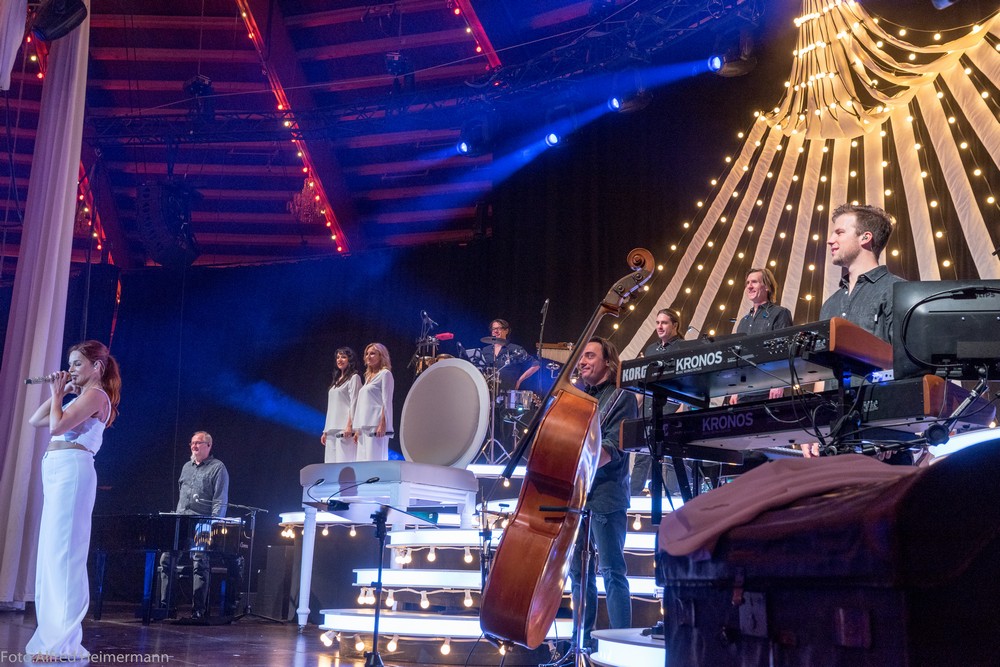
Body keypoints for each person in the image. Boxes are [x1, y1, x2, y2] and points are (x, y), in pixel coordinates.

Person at [26, 340, 121, 661]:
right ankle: (51, 636)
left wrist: (57, 396)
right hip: (58, 473)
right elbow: (35, 420)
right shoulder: (81, 395)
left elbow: (56, 427)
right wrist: (63, 391)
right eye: (70, 363)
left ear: (97, 367)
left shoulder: (96, 395)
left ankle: (62, 642)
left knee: (65, 555)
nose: (71, 369)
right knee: (51, 555)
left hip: (73, 473)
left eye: (77, 363)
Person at [567, 337, 638, 655]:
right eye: (581, 357)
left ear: (608, 362)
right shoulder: (580, 396)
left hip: (607, 494)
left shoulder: (623, 397)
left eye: (589, 356)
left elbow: (612, 447)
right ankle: (580, 644)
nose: (582, 361)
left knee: (612, 571)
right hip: (577, 493)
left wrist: (575, 456)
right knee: (578, 573)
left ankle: (621, 646)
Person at [159, 431, 230, 620]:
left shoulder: (217, 467)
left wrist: (214, 523)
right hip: (181, 520)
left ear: (209, 446)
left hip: (203, 522)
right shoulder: (186, 467)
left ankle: (198, 610)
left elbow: (220, 499)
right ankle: (167, 607)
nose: (194, 446)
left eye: (198, 443)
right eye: (192, 443)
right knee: (167, 559)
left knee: (200, 561)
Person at [819, 203, 905, 342]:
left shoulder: (897, 291)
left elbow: (904, 354)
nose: (830, 240)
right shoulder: (829, 304)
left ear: (865, 238)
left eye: (839, 233)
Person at [633, 308, 685, 496]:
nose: (659, 326)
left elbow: (687, 381)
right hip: (649, 410)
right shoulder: (651, 349)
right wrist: (634, 407)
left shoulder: (683, 347)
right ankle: (633, 496)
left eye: (664, 322)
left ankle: (675, 497)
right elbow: (644, 383)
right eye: (657, 323)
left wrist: (683, 409)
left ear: (675, 325)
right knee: (642, 456)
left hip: (671, 411)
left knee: (671, 457)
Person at [729, 268, 794, 404]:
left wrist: (779, 383)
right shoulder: (743, 321)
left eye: (754, 282)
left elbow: (785, 350)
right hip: (744, 392)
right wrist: (735, 389)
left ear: (767, 287)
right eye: (747, 283)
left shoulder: (780, 313)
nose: (749, 286)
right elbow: (738, 357)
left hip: (768, 389)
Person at [353, 343, 394, 461]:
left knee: (374, 461)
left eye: (372, 353)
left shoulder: (385, 374)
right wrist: (357, 428)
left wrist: (383, 424)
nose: (368, 356)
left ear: (381, 356)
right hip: (363, 426)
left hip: (376, 425)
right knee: (362, 463)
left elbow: (387, 401)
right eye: (366, 354)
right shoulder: (368, 377)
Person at [320, 347, 362, 463]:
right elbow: (331, 407)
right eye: (338, 357)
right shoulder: (336, 381)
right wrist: (325, 430)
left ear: (350, 360)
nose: (340, 359)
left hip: (344, 429)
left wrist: (349, 425)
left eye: (343, 357)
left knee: (344, 464)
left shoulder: (354, 378)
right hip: (331, 429)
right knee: (330, 465)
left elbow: (355, 402)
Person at [480, 319, 540, 393]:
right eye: (493, 329)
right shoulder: (486, 350)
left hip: (508, 391)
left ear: (506, 331)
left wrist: (519, 380)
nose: (495, 331)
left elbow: (536, 365)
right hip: (487, 391)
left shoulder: (515, 349)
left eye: (499, 328)